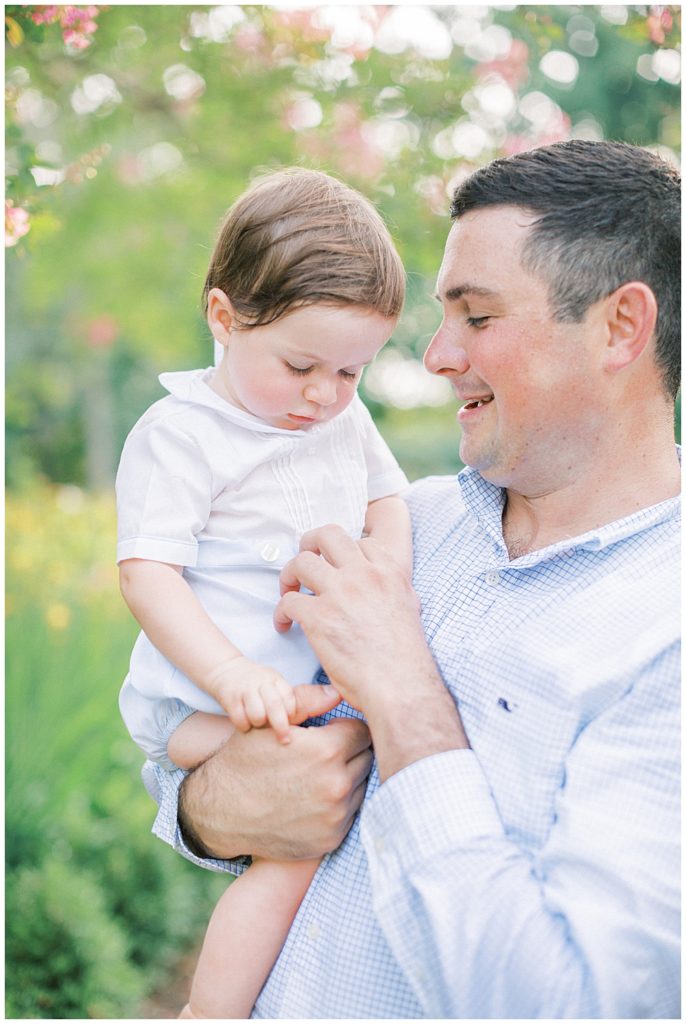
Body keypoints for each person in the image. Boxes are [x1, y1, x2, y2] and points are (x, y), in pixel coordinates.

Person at [144, 140, 681, 1019]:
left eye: (476, 317)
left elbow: (574, 1003)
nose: (434, 356)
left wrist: (404, 698)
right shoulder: (394, 526)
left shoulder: (666, 627)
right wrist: (216, 807)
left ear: (621, 326)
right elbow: (186, 763)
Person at [115, 167, 412, 1019]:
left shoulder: (341, 422)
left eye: (352, 372)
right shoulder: (183, 436)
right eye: (301, 365)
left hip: (306, 696)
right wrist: (229, 677)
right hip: (206, 701)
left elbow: (385, 499)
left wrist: (384, 573)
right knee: (290, 859)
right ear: (223, 317)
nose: (325, 395)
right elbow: (147, 574)